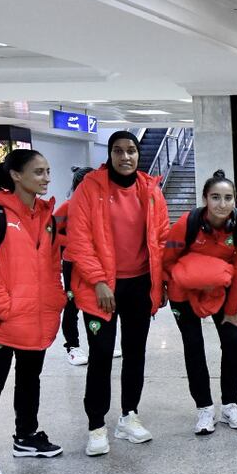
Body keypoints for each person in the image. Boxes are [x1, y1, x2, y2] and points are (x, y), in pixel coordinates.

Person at [0, 150, 67, 474]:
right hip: (3, 320)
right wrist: (3, 309)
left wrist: (54, 300)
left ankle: (26, 436)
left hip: (36, 317)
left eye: (48, 171)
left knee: (30, 378)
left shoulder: (46, 217)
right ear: (16, 176)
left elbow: (52, 267)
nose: (46, 178)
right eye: (38, 172)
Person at [67, 131, 169, 456]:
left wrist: (161, 284)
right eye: (118, 151)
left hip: (139, 285)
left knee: (135, 353)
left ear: (138, 155)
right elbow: (79, 239)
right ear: (109, 154)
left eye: (131, 151)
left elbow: (162, 238)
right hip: (101, 287)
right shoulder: (90, 188)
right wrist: (98, 281)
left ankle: (128, 416)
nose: (125, 157)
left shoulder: (150, 190)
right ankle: (96, 425)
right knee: (100, 356)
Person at [163, 171, 237, 435]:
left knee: (232, 343)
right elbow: (167, 261)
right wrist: (186, 281)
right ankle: (204, 408)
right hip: (184, 292)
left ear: (235, 200)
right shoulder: (187, 224)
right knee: (194, 347)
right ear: (205, 199)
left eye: (227, 198)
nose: (221, 204)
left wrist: (232, 310)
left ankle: (229, 405)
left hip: (220, 292)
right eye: (215, 197)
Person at [55, 166, 94, 367]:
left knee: (98, 303)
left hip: (96, 263)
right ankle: (72, 346)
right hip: (73, 263)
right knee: (72, 304)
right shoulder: (67, 207)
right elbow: (50, 232)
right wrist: (72, 242)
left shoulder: (101, 207)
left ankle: (98, 342)